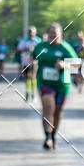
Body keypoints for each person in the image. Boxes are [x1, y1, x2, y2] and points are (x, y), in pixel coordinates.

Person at [32, 22, 78, 150]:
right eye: (50, 33)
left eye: (55, 33)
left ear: (60, 35)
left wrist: (64, 65)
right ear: (47, 34)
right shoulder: (41, 46)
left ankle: (53, 136)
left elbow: (76, 64)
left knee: (57, 112)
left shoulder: (65, 48)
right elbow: (32, 56)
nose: (52, 35)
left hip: (62, 85)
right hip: (45, 83)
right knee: (48, 108)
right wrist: (31, 64)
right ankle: (47, 136)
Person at [17, 27, 40, 101]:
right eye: (29, 32)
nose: (31, 34)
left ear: (35, 33)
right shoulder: (24, 41)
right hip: (25, 61)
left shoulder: (38, 40)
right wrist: (26, 49)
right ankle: (27, 93)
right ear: (28, 33)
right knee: (27, 77)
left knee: (33, 76)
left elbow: (42, 51)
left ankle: (33, 94)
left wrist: (35, 53)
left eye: (32, 32)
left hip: (34, 61)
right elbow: (18, 51)